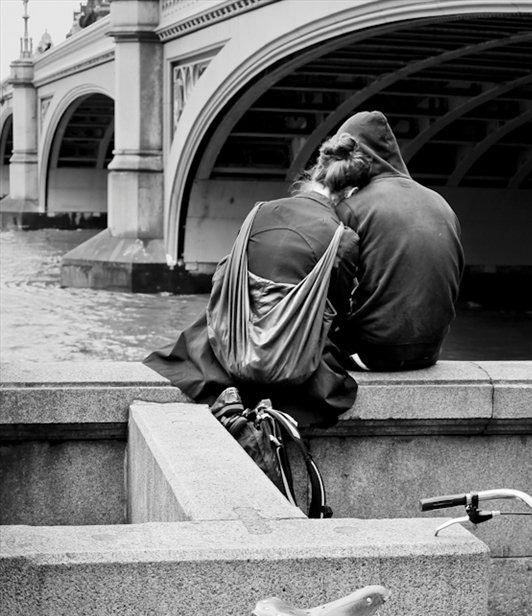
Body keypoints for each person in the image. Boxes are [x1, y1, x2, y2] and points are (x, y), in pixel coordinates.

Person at [144, 133, 371, 426]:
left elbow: (228, 280)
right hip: (292, 366)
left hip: (231, 348)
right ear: (350, 192)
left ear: (316, 171)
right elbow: (334, 313)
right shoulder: (344, 240)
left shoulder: (259, 213)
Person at [332, 110, 464, 371]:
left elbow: (333, 290)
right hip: (430, 352)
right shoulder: (442, 203)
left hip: (371, 353)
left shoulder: (352, 208)